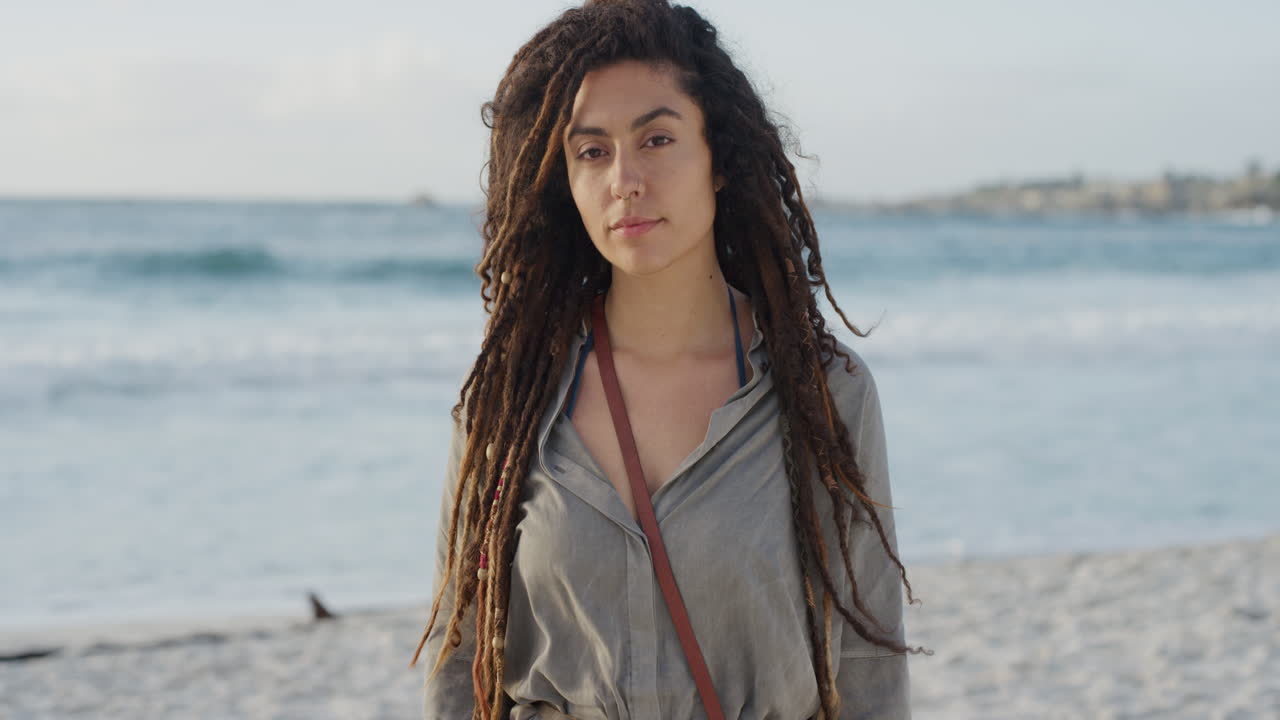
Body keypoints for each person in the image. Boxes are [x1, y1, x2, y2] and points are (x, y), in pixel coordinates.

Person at [410, 1, 927, 717]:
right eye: (592, 152)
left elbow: (868, 667)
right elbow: (460, 653)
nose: (625, 179)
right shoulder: (510, 401)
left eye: (656, 139)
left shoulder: (823, 392)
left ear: (720, 160)